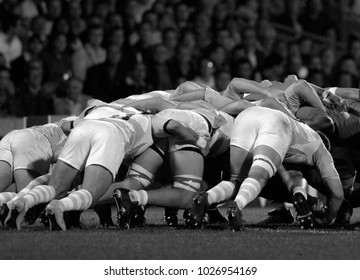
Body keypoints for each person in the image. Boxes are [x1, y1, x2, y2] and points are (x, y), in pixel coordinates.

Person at [9, 100, 206, 231]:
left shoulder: (98, 110)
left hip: (83, 128)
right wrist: (198, 140)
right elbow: (174, 126)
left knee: (55, 187)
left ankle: (20, 202)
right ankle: (60, 207)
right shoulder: (149, 117)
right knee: (90, 193)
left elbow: (65, 126)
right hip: (112, 134)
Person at [188, 106, 344, 231]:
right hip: (277, 123)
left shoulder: (303, 131)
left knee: (237, 181)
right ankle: (237, 207)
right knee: (260, 175)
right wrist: (326, 219)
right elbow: (338, 194)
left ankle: (206, 198)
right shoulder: (322, 151)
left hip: (247, 115)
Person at [0, 116, 74, 227]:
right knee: (28, 201)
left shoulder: (82, 118)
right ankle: (7, 210)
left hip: (14, 136)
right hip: (34, 140)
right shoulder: (94, 126)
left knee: (26, 198)